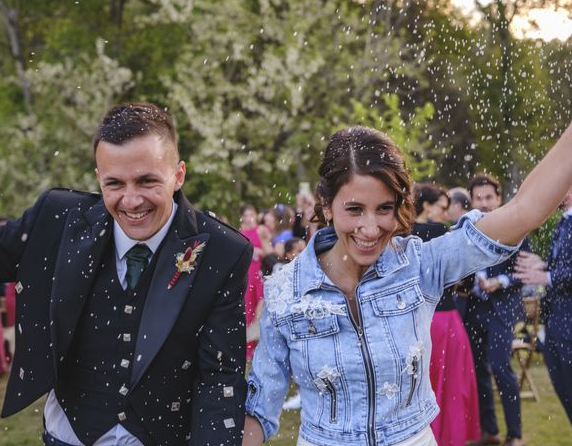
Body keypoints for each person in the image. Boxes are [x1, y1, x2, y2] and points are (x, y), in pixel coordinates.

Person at [0, 78, 253, 446]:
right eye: (115, 184)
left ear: (178, 175)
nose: (131, 201)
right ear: (98, 178)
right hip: (66, 437)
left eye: (147, 181)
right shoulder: (57, 220)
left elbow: (219, 380)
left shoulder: (223, 252)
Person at [243, 124, 572, 446]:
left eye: (384, 209)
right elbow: (258, 409)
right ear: (326, 205)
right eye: (355, 209)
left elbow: (523, 211)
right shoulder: (286, 291)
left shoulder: (418, 265)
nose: (370, 229)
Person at [463, 174, 530, 446]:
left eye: (489, 197)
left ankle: (515, 435)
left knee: (502, 369)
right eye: (478, 198)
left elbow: (524, 273)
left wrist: (500, 281)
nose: (484, 203)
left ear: (498, 198)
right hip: (474, 308)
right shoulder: (465, 229)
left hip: (502, 310)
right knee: (477, 371)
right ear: (472, 200)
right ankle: (489, 430)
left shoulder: (516, 227)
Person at [412, 183, 480, 446]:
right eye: (441, 207)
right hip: (444, 319)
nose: (445, 212)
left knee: (423, 382)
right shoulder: (442, 233)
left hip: (416, 320)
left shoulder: (401, 236)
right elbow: (467, 277)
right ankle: (449, 435)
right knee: (450, 384)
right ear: (426, 206)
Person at [514, 186, 572, 423]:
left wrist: (547, 277)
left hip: (568, 323)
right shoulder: (564, 222)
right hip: (557, 322)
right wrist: (543, 266)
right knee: (563, 387)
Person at [240, 205, 274, 359]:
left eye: (251, 214)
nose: (248, 218)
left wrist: (257, 251)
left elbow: (271, 254)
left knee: (262, 306)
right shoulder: (240, 233)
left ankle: (262, 344)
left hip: (260, 272)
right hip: (247, 273)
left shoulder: (261, 230)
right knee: (248, 308)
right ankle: (248, 347)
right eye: (246, 215)